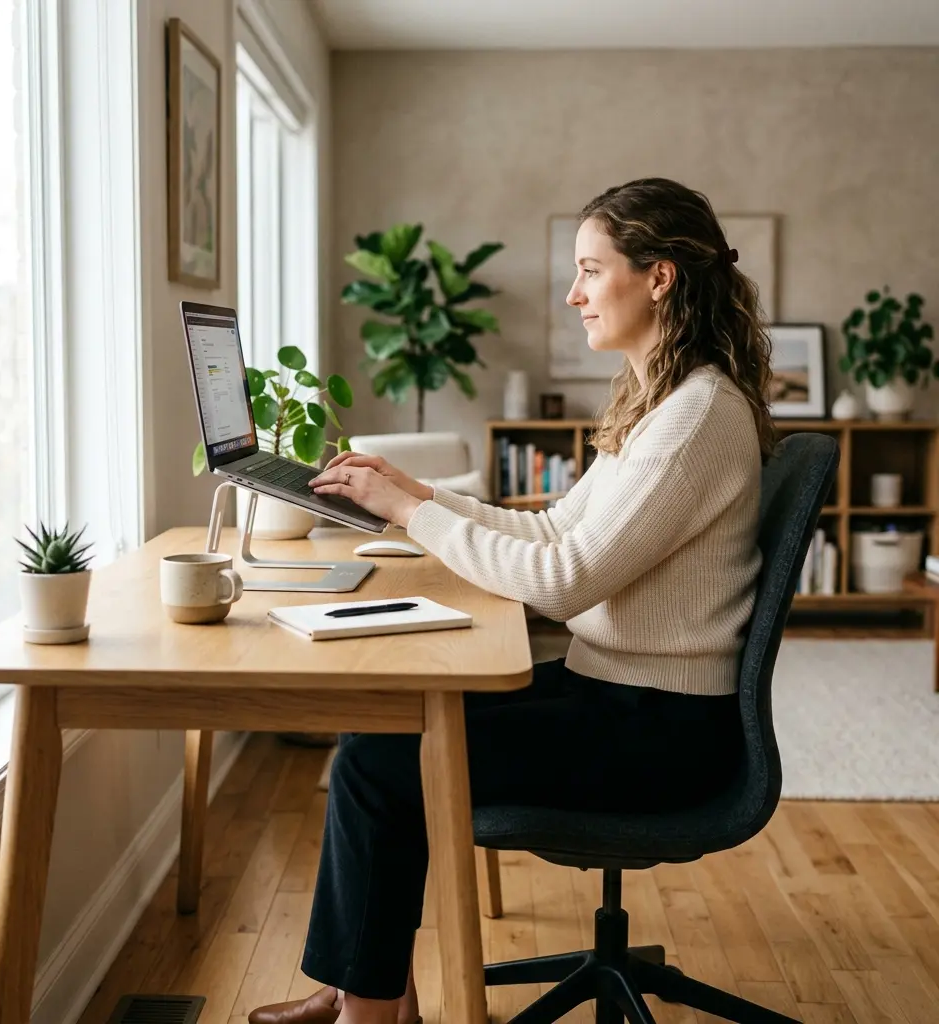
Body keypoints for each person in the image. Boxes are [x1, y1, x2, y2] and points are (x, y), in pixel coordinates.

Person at [248, 177, 775, 1024]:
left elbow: (564, 579)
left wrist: (411, 513)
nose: (573, 294)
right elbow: (559, 525)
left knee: (379, 765)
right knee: (380, 729)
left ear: (659, 278)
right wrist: (417, 492)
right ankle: (365, 990)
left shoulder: (698, 415)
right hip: (620, 698)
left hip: (662, 733)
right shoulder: (665, 402)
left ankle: (367, 1013)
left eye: (590, 270)